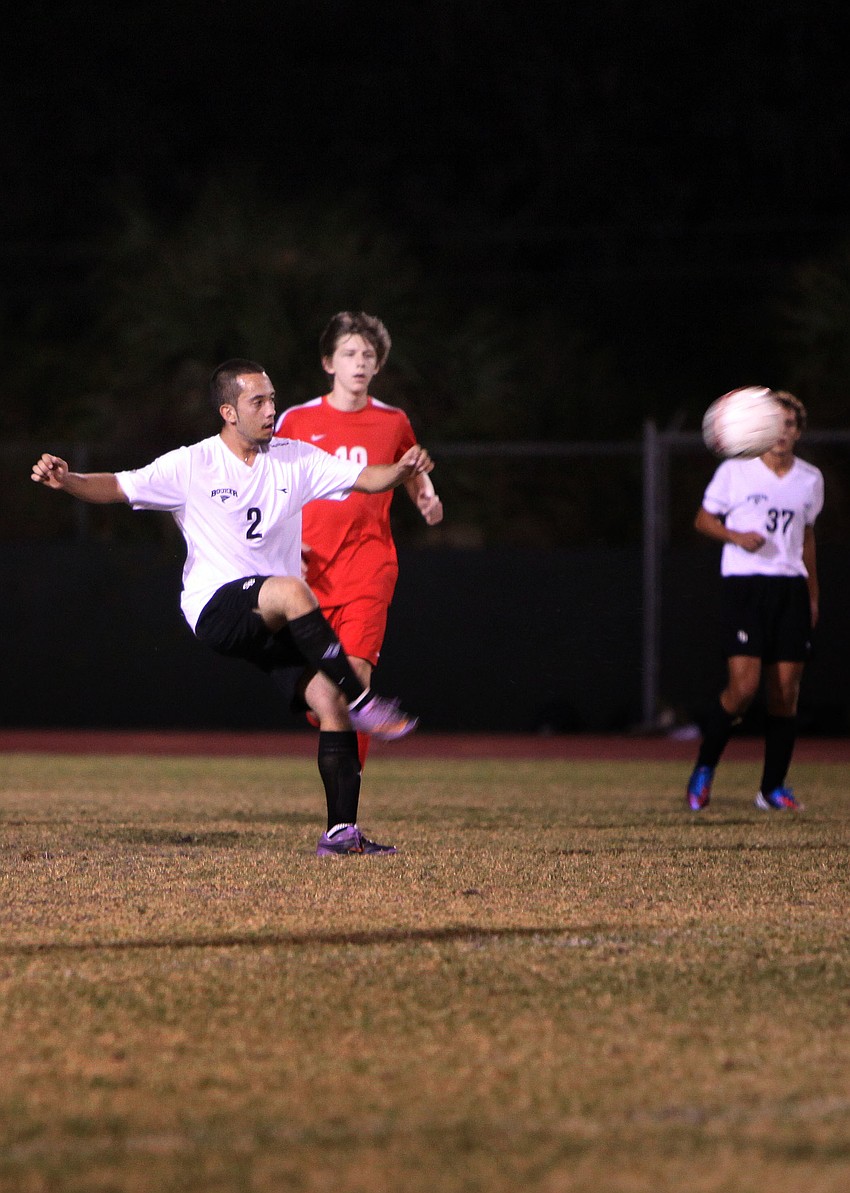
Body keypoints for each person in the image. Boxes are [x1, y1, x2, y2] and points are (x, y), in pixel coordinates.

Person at [31, 358, 435, 856]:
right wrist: (67, 480)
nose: (271, 410)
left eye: (272, 398)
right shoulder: (192, 464)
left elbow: (368, 479)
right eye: (257, 401)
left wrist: (400, 470)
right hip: (217, 608)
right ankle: (364, 700)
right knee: (293, 593)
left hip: (273, 615)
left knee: (329, 704)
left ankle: (340, 833)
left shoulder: (294, 458)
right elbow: (118, 485)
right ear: (228, 411)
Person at [275, 312, 443, 767]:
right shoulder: (296, 421)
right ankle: (330, 725)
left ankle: (346, 802)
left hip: (369, 566)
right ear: (329, 362)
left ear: (378, 364)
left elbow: (410, 465)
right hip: (310, 575)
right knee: (330, 699)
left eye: (368, 355)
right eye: (349, 353)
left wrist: (426, 496)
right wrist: (283, 541)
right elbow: (269, 483)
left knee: (355, 682)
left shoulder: (392, 421)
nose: (360, 362)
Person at [686, 390, 824, 812]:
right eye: (774, 423)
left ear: (798, 431)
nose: (781, 432)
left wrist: (812, 594)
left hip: (790, 588)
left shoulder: (810, 479)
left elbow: (806, 537)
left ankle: (772, 788)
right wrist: (735, 535)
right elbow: (702, 519)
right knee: (743, 689)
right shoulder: (735, 470)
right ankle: (704, 768)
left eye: (789, 424)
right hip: (745, 587)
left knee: (785, 693)